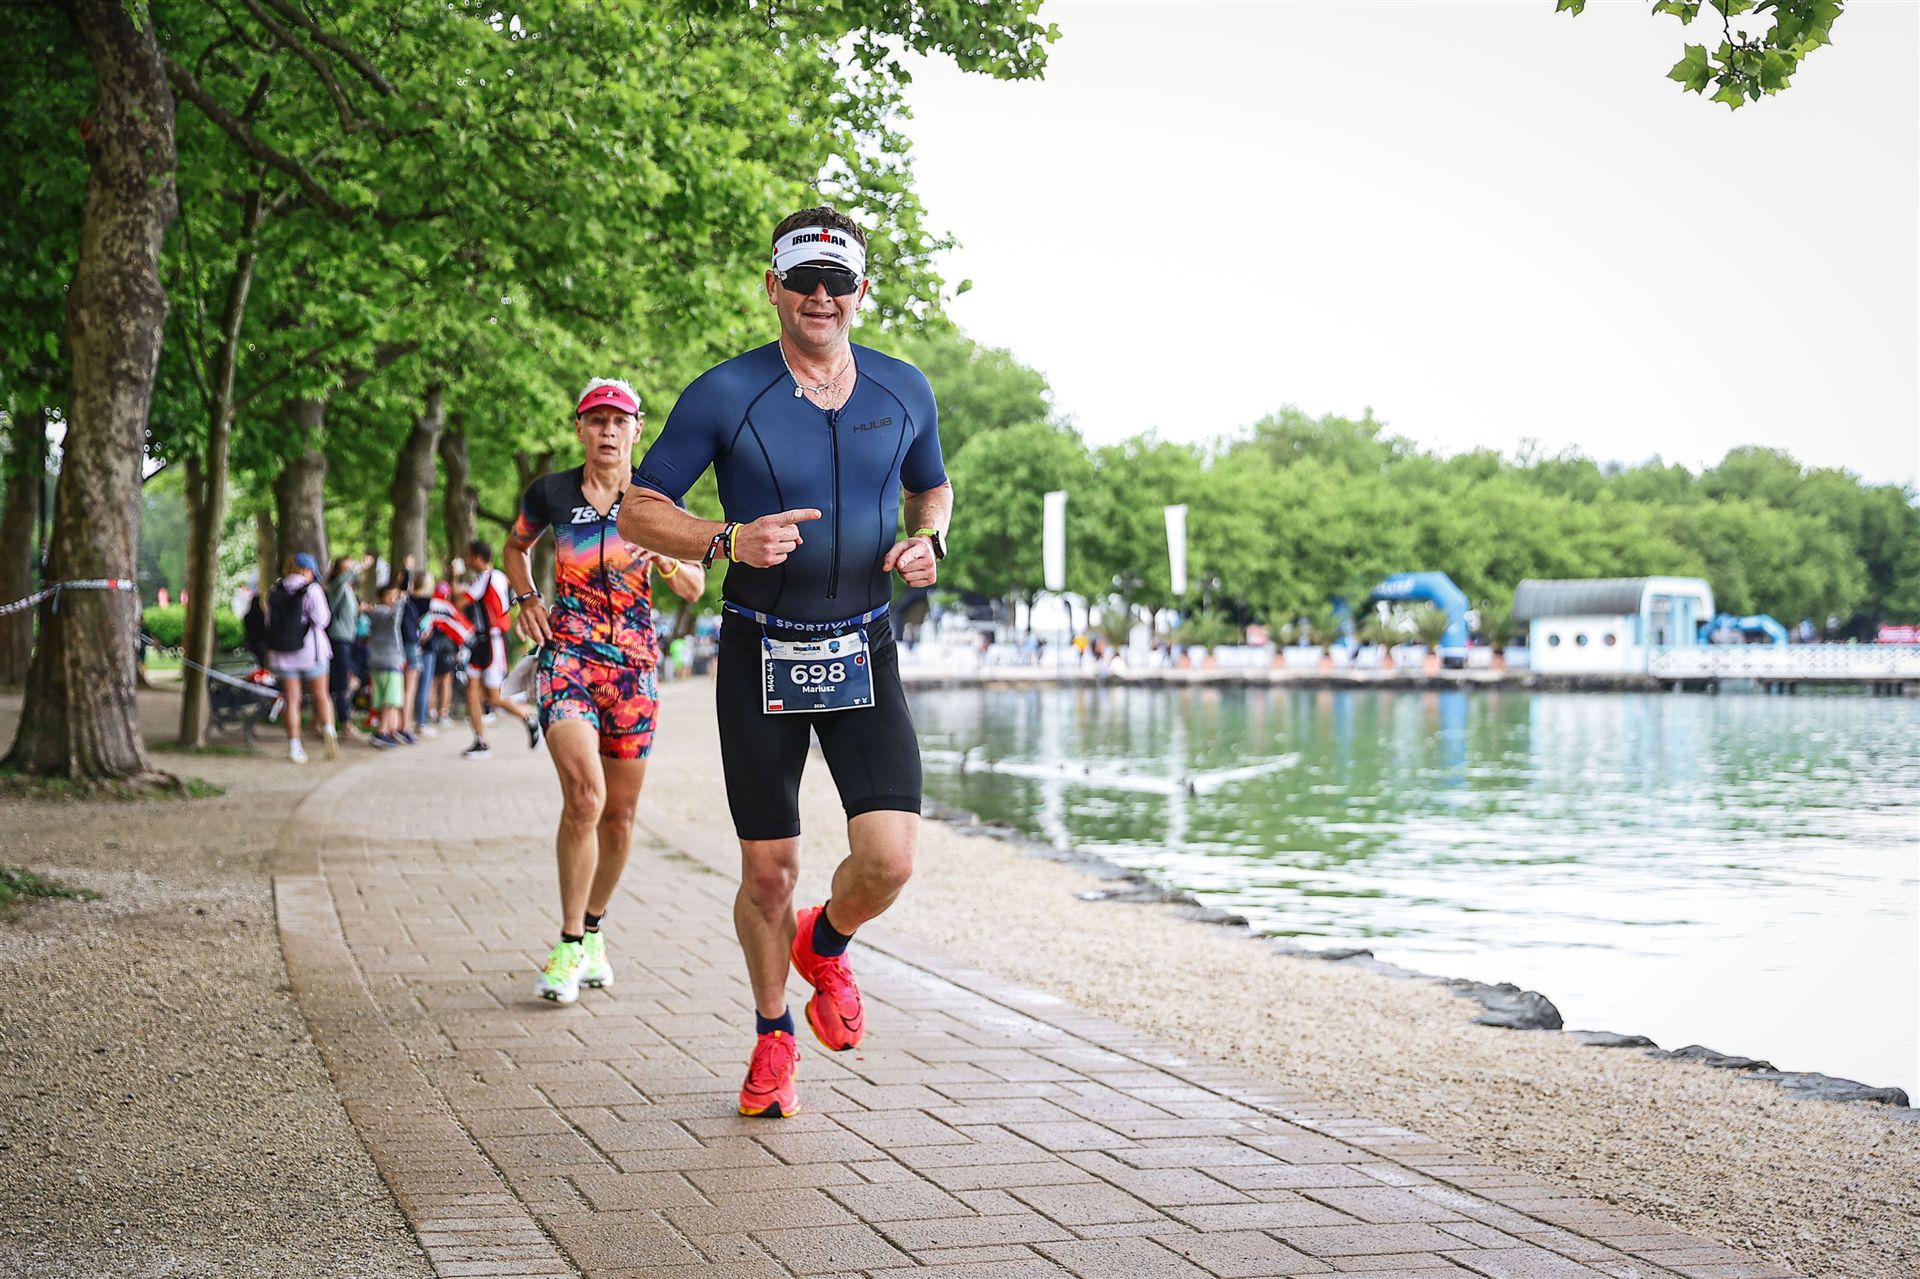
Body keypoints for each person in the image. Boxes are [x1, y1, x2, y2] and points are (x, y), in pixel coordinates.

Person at [619, 205, 949, 1117]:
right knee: (769, 871)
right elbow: (639, 508)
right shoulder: (726, 393)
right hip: (760, 650)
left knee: (890, 861)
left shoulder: (904, 389)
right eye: (803, 280)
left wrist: (929, 539)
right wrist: (726, 538)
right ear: (773, 286)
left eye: (837, 283)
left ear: (861, 292)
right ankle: (773, 1036)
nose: (820, 297)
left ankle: (826, 941)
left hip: (864, 647)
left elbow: (931, 487)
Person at [506, 377, 706, 1004]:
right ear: (580, 428)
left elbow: (695, 586)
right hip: (568, 658)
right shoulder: (551, 493)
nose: (609, 431)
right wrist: (526, 596)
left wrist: (665, 556)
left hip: (635, 671)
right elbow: (516, 547)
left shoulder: (658, 499)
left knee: (619, 817)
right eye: (597, 420)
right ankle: (568, 944)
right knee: (586, 797)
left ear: (637, 430)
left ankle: (593, 930)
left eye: (620, 421)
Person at [460, 539, 538, 759]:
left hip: (492, 640)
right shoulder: (499, 577)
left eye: (469, 555)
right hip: (482, 640)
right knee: (472, 689)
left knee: (493, 696)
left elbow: (462, 600)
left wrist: (455, 580)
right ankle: (480, 740)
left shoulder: (487, 577)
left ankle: (529, 717)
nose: (467, 560)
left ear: (477, 557)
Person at [266, 553, 337, 762]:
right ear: (307, 571)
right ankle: (329, 731)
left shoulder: (275, 590)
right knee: (321, 694)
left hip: (283, 654)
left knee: (292, 700)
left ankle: (294, 746)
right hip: (311, 652)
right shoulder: (312, 590)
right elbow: (322, 620)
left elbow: (269, 620)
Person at [363, 573, 410, 748]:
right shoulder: (380, 612)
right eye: (390, 596)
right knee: (390, 699)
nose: (393, 599)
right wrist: (401, 601)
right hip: (387, 661)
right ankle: (381, 731)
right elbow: (393, 619)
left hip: (386, 660)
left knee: (391, 699)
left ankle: (389, 729)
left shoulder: (378, 612)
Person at [323, 555, 364, 738]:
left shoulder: (348, 589)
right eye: (345, 569)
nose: (349, 572)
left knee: (346, 679)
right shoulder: (336, 587)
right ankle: (344, 723)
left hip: (349, 638)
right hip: (338, 639)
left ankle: (324, 720)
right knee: (341, 682)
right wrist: (357, 567)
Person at [425, 580, 468, 729]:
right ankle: (443, 713)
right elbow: (460, 628)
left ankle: (431, 712)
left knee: (431, 681)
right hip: (447, 648)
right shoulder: (449, 607)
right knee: (446, 680)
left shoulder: (430, 605)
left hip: (431, 646)